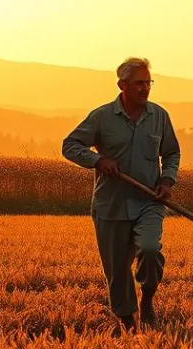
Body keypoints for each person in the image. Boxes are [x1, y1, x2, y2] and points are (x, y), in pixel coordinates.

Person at [62, 57, 181, 327]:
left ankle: (148, 299)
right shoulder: (102, 117)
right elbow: (70, 145)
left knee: (150, 250)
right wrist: (98, 161)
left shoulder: (159, 116)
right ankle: (129, 324)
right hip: (110, 205)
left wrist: (167, 181)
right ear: (122, 85)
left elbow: (172, 152)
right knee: (117, 271)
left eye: (148, 83)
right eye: (139, 83)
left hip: (148, 201)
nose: (145, 88)